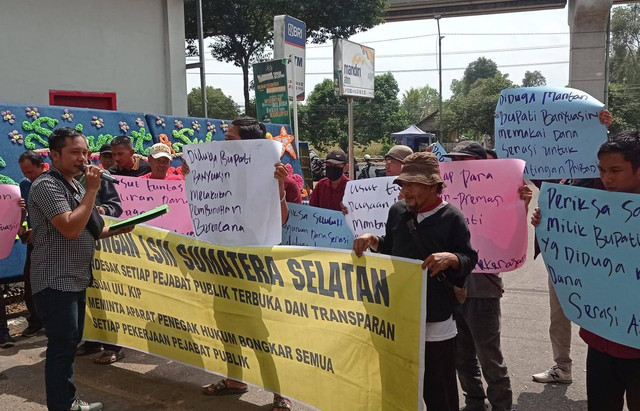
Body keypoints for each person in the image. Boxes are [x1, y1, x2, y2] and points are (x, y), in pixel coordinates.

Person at [353, 152, 478, 410]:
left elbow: (469, 257)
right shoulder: (397, 212)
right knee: (399, 384)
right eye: (403, 184)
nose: (405, 190)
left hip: (436, 316)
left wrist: (452, 258)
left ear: (433, 186)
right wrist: (374, 241)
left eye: (413, 184)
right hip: (400, 314)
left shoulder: (452, 217)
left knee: (439, 389)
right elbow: (393, 250)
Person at [532, 131, 640, 410]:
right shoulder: (591, 203)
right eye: (602, 170)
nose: (608, 178)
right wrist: (548, 222)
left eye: (616, 170)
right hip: (601, 339)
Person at [28, 127, 132, 411]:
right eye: (74, 152)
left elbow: (88, 229)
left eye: (85, 152)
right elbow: (71, 228)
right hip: (55, 280)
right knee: (61, 349)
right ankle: (62, 406)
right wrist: (93, 190)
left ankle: (68, 401)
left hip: (75, 278)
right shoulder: (47, 185)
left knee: (69, 345)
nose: (83, 158)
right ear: (54, 155)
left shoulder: (73, 184)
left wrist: (120, 229)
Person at [199, 117, 292, 411]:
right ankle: (235, 379)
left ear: (249, 143)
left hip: (249, 266)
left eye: (230, 138)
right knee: (225, 320)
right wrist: (193, 176)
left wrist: (279, 187)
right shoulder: (216, 169)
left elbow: (282, 219)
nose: (224, 143)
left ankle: (280, 393)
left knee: (256, 329)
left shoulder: (270, 172)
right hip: (222, 261)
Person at [443, 141, 532, 411]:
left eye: (464, 160)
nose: (457, 166)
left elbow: (511, 233)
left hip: (484, 291)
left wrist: (521, 204)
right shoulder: (446, 193)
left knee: (489, 357)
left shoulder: (498, 191)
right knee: (461, 357)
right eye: (454, 160)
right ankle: (474, 402)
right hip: (451, 289)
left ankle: (501, 406)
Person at [531, 108, 614, 384]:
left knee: (605, 315)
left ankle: (613, 371)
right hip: (561, 258)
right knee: (560, 313)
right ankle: (562, 366)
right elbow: (531, 166)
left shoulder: (601, 178)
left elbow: (620, 161)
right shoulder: (558, 177)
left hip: (600, 260)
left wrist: (603, 130)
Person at [17, 150, 48, 337]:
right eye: (24, 173)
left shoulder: (53, 183)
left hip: (53, 242)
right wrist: (20, 219)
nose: (28, 176)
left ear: (42, 166)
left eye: (31, 172)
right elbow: (27, 214)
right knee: (30, 280)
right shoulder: (25, 185)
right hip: (33, 241)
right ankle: (36, 320)